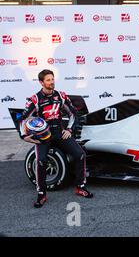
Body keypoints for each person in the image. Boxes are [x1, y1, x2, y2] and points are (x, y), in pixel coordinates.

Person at [20, 69, 93, 208]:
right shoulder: (34, 99)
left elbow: (73, 114)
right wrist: (24, 136)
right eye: (48, 80)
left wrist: (69, 129)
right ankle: (41, 194)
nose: (51, 82)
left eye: (52, 79)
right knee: (41, 161)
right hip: (43, 136)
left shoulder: (61, 96)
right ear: (41, 82)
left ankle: (80, 186)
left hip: (59, 132)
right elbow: (22, 119)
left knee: (80, 154)